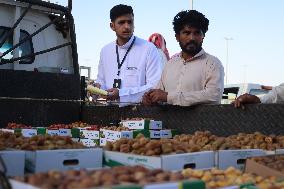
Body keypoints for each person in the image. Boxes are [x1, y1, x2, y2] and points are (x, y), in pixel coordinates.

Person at [142, 10, 224, 106]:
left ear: (203, 36)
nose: (192, 38)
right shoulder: (170, 64)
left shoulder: (213, 63)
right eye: (187, 33)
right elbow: (160, 95)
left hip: (200, 121)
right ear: (177, 37)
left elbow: (213, 96)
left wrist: (169, 97)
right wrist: (150, 98)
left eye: (197, 33)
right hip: (169, 121)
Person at [94, 4, 162, 105]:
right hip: (110, 112)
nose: (127, 26)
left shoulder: (148, 49)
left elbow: (155, 86)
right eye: (121, 22)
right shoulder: (105, 51)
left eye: (130, 22)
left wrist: (122, 94)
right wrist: (98, 87)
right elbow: (102, 81)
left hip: (140, 112)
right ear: (112, 26)